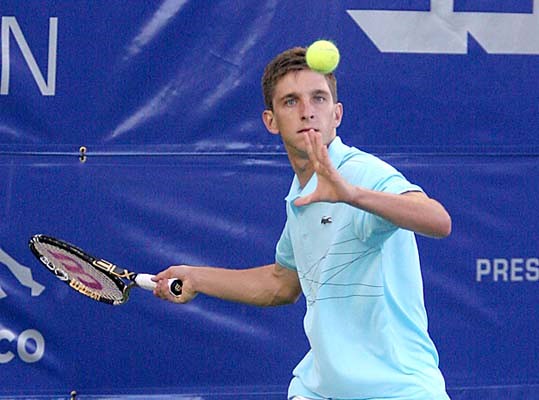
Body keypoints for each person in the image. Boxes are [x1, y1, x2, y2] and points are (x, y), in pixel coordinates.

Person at [153, 46, 452, 400]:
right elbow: (282, 283)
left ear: (337, 114)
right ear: (271, 120)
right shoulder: (301, 193)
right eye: (291, 101)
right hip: (320, 388)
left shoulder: (362, 172)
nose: (308, 112)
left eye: (319, 99)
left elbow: (438, 220)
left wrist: (351, 195)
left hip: (398, 389)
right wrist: (197, 277)